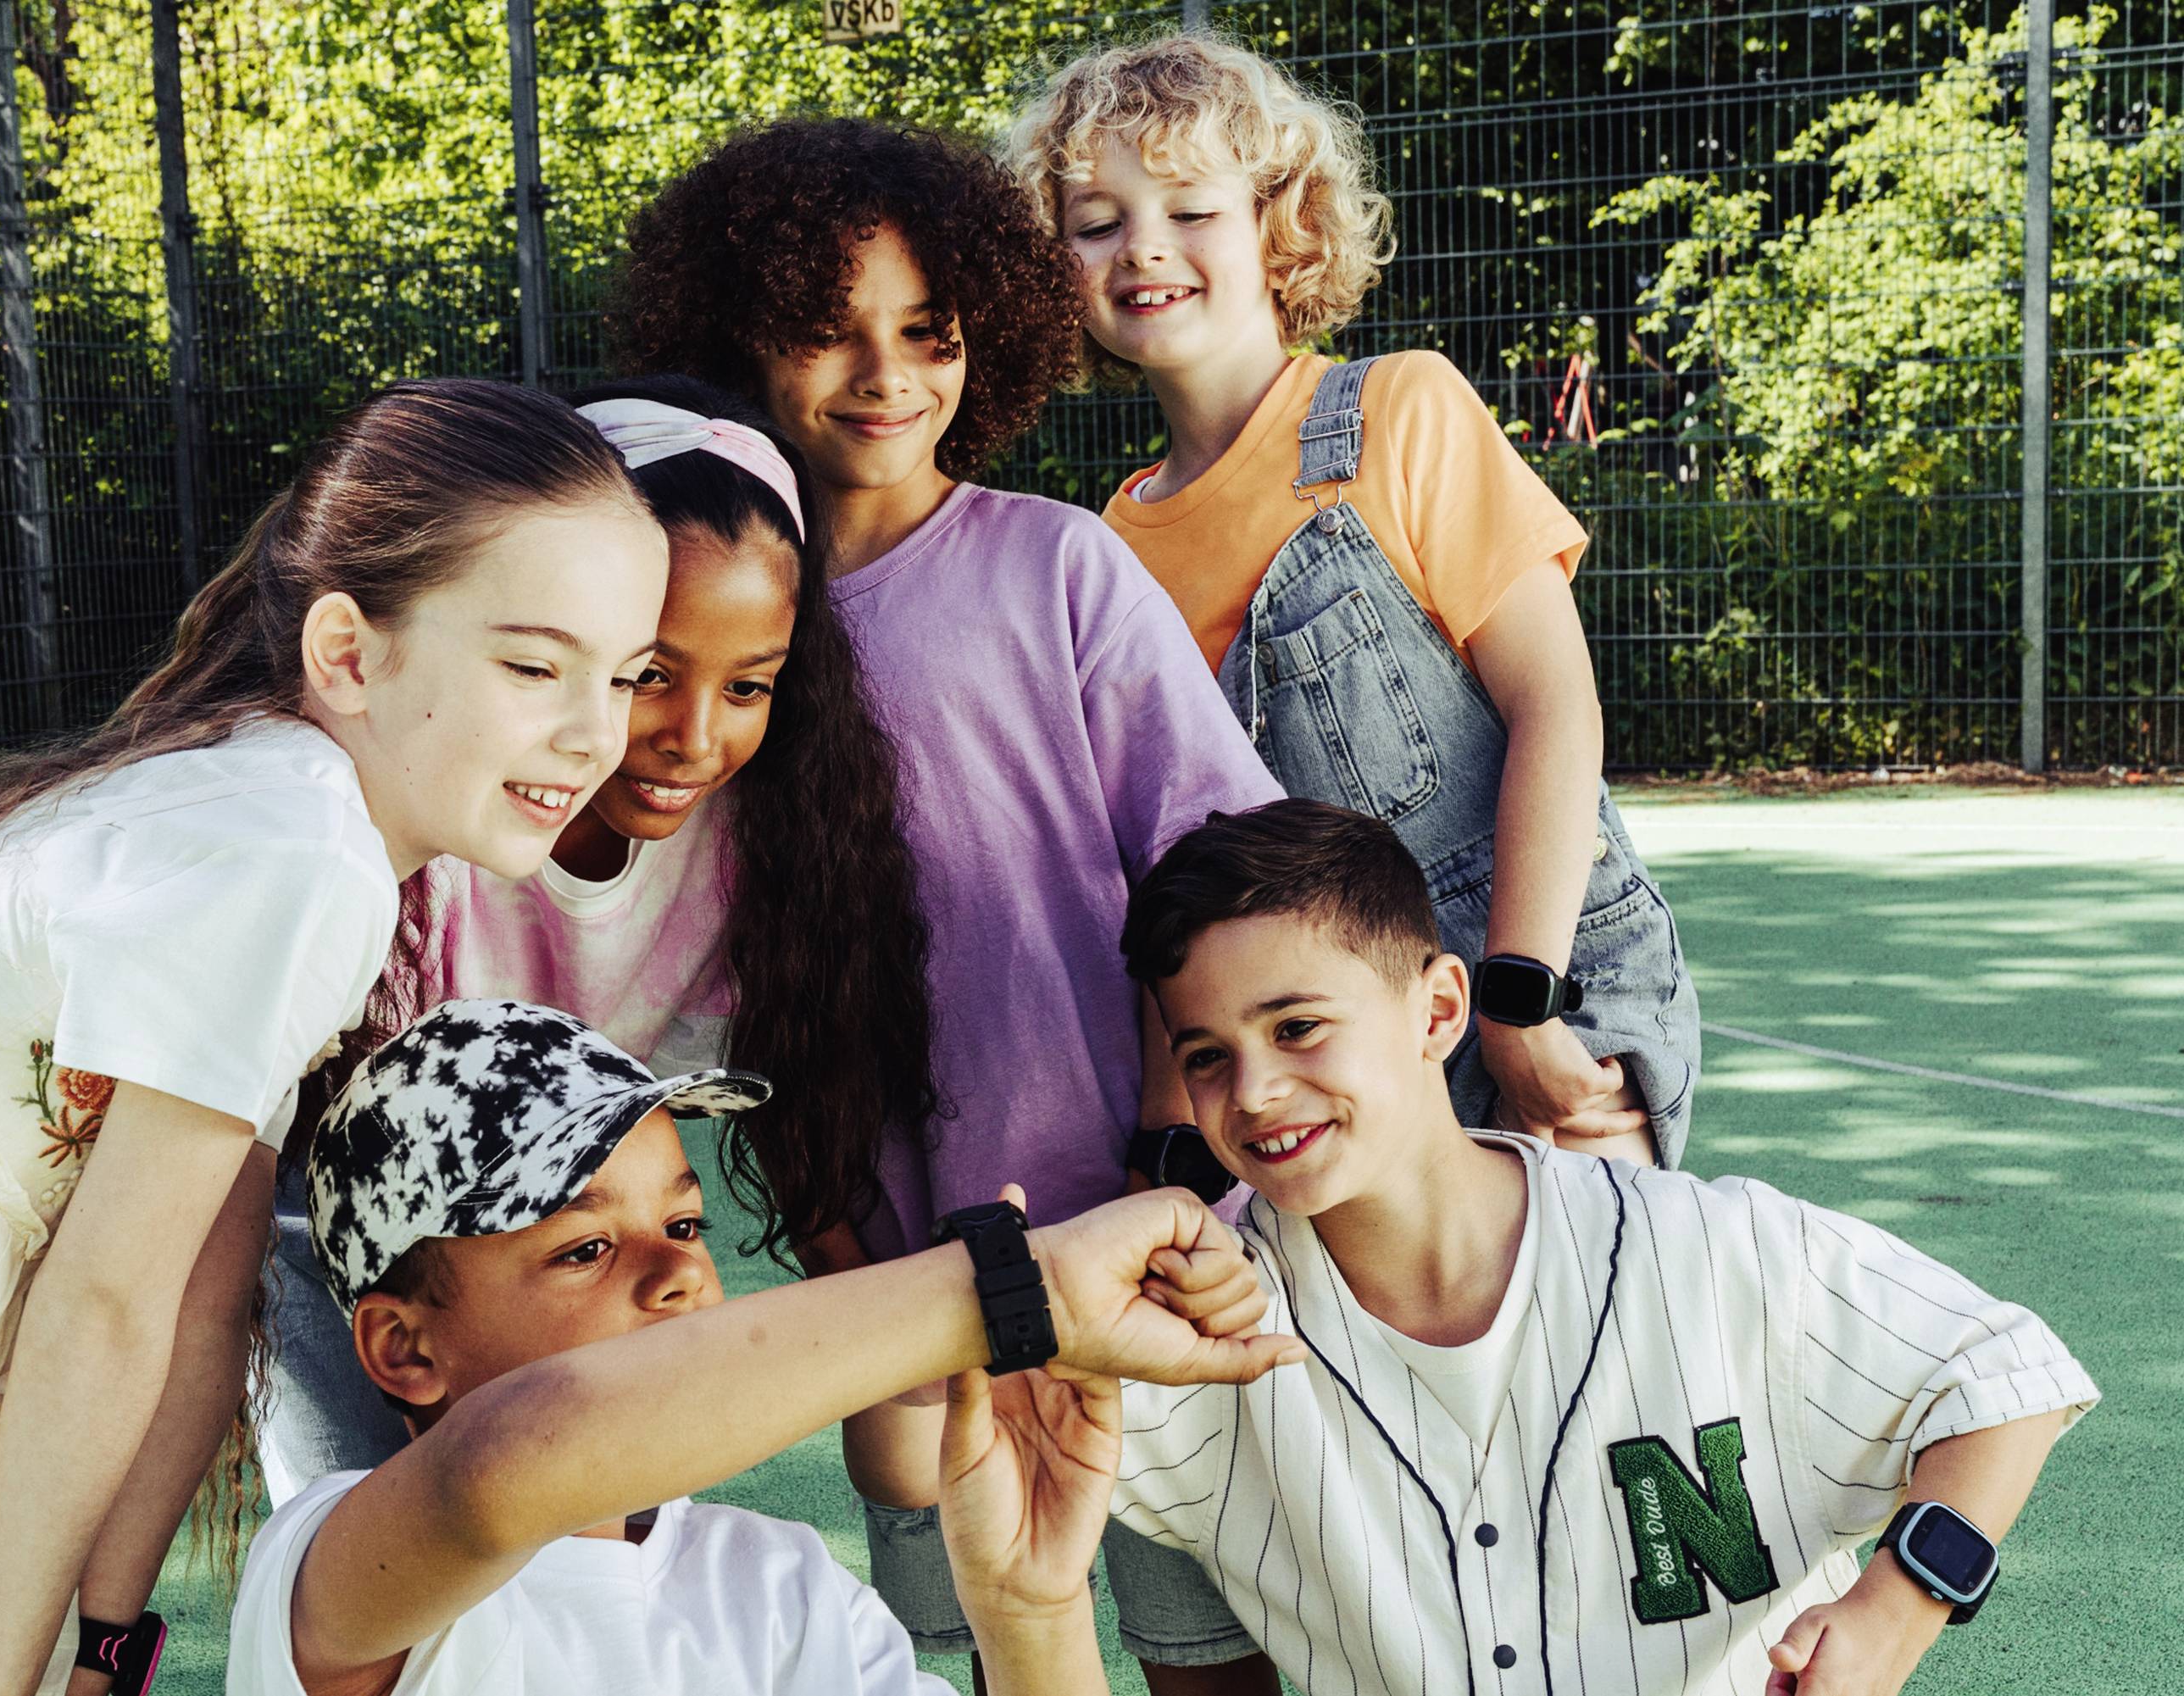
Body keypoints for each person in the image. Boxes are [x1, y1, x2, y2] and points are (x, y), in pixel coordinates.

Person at [0, 380, 670, 1696]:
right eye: (535, 666)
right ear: (350, 654)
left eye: (625, 675)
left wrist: (101, 1646)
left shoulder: (285, 794)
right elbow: (106, 1306)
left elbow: (205, 1273)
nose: (597, 734)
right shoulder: (293, 854)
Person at [614, 117, 1287, 1692]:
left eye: (929, 330)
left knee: (1207, 1654)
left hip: (1146, 1241)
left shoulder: (1060, 568)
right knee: (964, 1637)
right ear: (737, 337)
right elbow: (745, 977)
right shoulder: (701, 625)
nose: (887, 375)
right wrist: (854, 1250)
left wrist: (1174, 1164)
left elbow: (1219, 888)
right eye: (826, 331)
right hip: (909, 1285)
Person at [1078, 798, 2092, 1694]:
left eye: (1297, 1027)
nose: (1252, 1092)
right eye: (1207, 1057)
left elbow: (2005, 1376)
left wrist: (1895, 1610)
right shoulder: (1200, 1339)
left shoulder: (1703, 1248)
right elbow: (927, 1428)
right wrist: (1091, 1263)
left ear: (1438, 1011)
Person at [1006, 34, 1700, 1169]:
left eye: (1191, 209)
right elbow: (1172, 871)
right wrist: (1165, 1133)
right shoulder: (1108, 550)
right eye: (1097, 222)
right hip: (1310, 1060)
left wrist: (1520, 999)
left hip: (1540, 977)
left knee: (1589, 1318)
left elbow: (1557, 709)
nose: (1144, 250)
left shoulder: (1401, 411)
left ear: (1280, 228)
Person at [258, 375, 936, 1502]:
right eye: (650, 675)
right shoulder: (412, 814)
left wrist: (904, 1357)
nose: (691, 738)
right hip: (347, 1217)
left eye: (751, 685)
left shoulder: (762, 844)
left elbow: (803, 1122)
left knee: (585, 1541)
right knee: (374, 1542)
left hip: (563, 1243)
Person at [228, 997, 1305, 1696]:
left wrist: (1034, 1619)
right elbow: (502, 1467)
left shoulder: (780, 1586)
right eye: (586, 1248)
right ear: (406, 1350)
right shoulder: (331, 1567)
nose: (681, 1274)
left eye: (685, 1226)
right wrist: (1013, 1291)